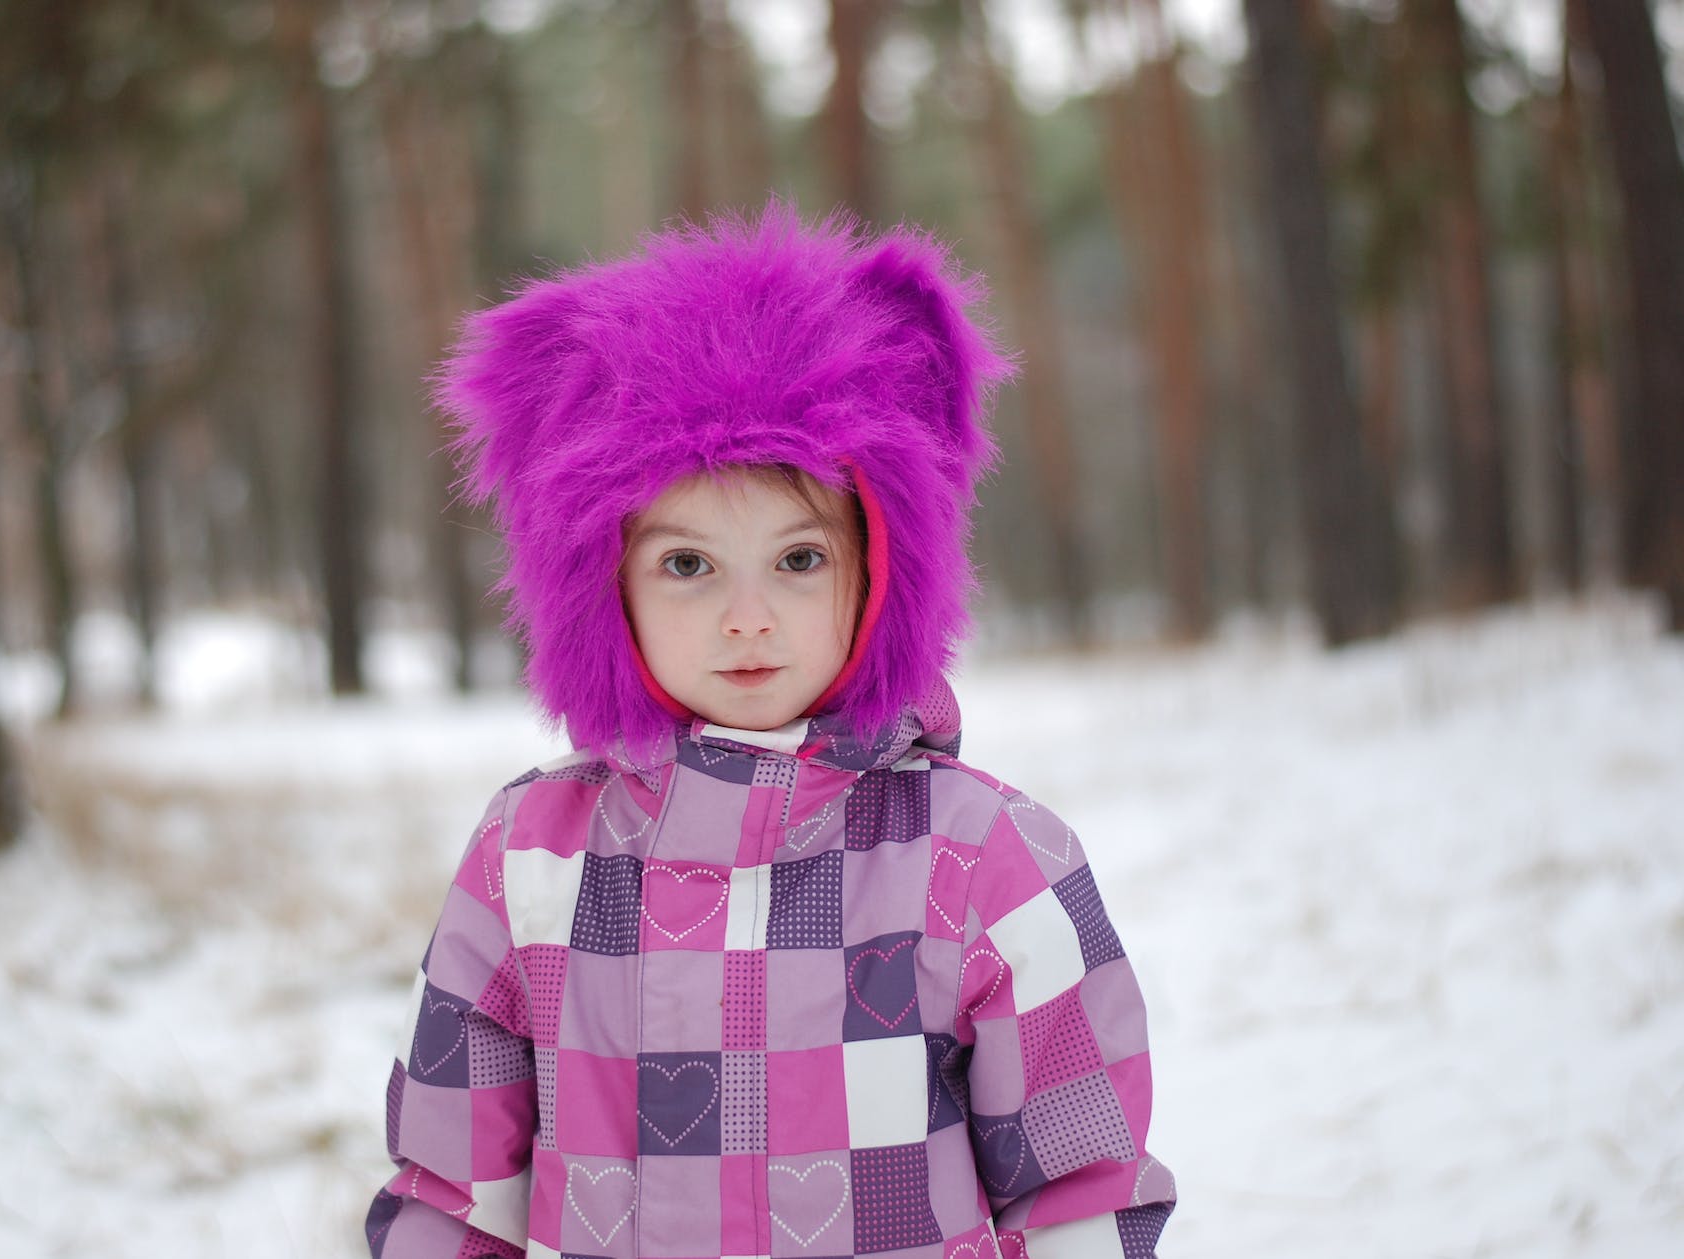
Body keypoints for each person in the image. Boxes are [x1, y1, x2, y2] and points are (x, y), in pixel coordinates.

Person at [367, 203, 1175, 1259]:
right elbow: (453, 1187)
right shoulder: (531, 858)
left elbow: (1081, 1188)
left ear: (878, 569)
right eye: (688, 564)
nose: (745, 616)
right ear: (600, 586)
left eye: (796, 559)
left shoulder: (978, 861)